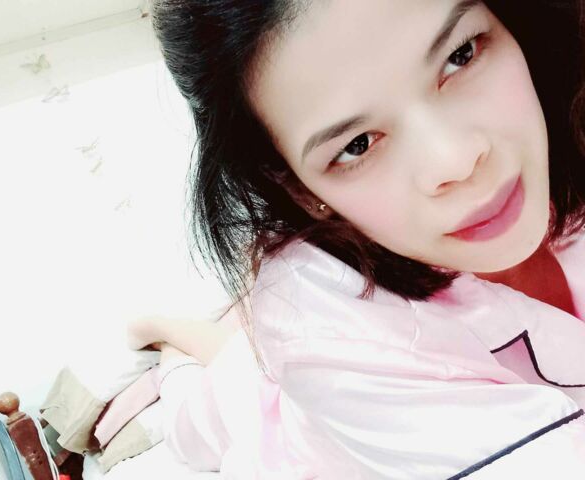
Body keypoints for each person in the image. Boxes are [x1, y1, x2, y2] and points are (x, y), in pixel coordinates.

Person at [128, 1, 585, 477]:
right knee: (199, 419)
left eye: (461, 54)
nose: (456, 159)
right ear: (300, 190)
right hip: (287, 427)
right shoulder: (326, 336)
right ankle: (165, 338)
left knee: (243, 360)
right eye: (357, 145)